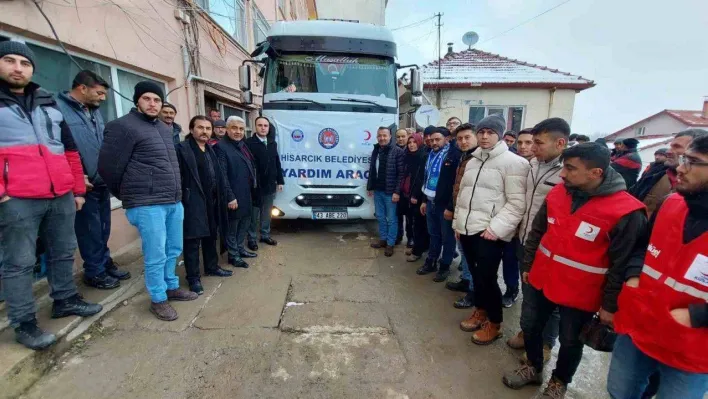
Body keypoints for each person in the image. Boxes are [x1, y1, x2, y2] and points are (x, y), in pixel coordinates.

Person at [503, 143, 648, 399]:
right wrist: (528, 265)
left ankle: (559, 381)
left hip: (581, 294)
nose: (562, 174)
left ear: (596, 173)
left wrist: (610, 305)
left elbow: (621, 264)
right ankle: (534, 367)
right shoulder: (559, 193)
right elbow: (537, 231)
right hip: (542, 279)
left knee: (571, 340)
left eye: (570, 168)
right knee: (531, 326)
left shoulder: (627, 211)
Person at [0, 41, 102, 350]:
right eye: (9, 60)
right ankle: (25, 322)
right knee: (19, 262)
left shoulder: (46, 101)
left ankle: (65, 299)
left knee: (63, 250)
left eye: (25, 63)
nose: (18, 67)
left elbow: (69, 150)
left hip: (59, 194)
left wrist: (77, 189)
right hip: (17, 197)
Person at [608, 135, 708, 399]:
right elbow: (641, 248)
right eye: (684, 159)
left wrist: (697, 316)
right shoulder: (671, 204)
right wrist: (632, 277)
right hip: (641, 323)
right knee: (620, 391)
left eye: (693, 162)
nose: (680, 168)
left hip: (693, 344)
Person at [99, 81, 198, 322]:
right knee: (155, 253)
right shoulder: (122, 127)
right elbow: (108, 168)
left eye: (157, 100)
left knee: (173, 248)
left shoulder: (164, 128)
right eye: (147, 99)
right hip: (146, 203)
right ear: (137, 101)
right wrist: (128, 195)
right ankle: (158, 298)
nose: (152, 104)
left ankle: (171, 286)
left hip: (172, 201)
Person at [454, 115, 529, 345]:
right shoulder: (473, 160)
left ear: (500, 134)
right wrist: (458, 223)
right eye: (482, 132)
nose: (484, 137)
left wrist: (495, 228)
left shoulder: (514, 163)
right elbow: (463, 195)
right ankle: (481, 311)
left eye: (490, 132)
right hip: (467, 229)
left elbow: (517, 204)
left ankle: (495, 323)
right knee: (477, 277)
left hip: (489, 232)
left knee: (488, 278)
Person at [56, 70, 131, 290]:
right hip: (82, 185)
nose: (103, 98)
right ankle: (94, 272)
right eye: (99, 93)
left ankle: (104, 263)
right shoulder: (58, 110)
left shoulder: (93, 112)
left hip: (101, 181)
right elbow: (57, 149)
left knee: (102, 229)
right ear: (82, 88)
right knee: (89, 230)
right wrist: (75, 177)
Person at [506, 118, 568, 364]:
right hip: (526, 241)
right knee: (529, 293)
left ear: (560, 143)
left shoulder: (569, 172)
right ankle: (528, 331)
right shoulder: (532, 165)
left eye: (538, 143)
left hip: (551, 247)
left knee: (549, 300)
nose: (532, 148)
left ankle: (545, 344)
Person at [176, 116, 233, 295]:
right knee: (192, 241)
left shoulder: (210, 149)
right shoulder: (182, 149)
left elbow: (220, 176)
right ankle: (193, 278)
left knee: (211, 236)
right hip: (192, 202)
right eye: (200, 128)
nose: (204, 132)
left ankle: (211, 266)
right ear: (192, 129)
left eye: (208, 128)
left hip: (213, 201)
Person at [416, 127, 460, 281]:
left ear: (446, 139)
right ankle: (431, 261)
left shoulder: (453, 156)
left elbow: (456, 185)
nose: (433, 142)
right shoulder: (430, 155)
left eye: (437, 139)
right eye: (432, 140)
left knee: (447, 238)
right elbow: (426, 178)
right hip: (430, 201)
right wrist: (423, 200)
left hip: (444, 205)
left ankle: (445, 266)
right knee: (433, 235)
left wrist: (451, 207)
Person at [214, 116, 257, 269]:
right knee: (232, 228)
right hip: (232, 196)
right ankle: (233, 255)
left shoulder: (242, 145)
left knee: (244, 223)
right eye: (234, 128)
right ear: (227, 129)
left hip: (245, 193)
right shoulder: (221, 147)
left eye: (241, 129)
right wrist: (230, 197)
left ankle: (240, 249)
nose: (238, 132)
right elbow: (222, 175)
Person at [500, 128, 535, 308]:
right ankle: (511, 290)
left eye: (528, 143)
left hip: (531, 228)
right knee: (509, 260)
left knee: (528, 268)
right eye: (520, 142)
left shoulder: (539, 167)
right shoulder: (512, 163)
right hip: (510, 224)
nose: (523, 146)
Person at [446, 124, 478, 308]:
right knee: (465, 253)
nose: (463, 141)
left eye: (467, 137)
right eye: (459, 138)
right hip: (461, 212)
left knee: (473, 257)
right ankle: (466, 281)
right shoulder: (464, 157)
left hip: (474, 217)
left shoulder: (478, 158)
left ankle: (473, 293)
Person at [245, 116, 284, 250]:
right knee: (253, 214)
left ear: (268, 128)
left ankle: (265, 235)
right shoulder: (249, 143)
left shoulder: (272, 143)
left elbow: (276, 162)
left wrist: (280, 180)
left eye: (265, 126)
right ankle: (251, 238)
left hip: (269, 185)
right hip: (255, 186)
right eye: (260, 125)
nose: (263, 128)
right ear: (255, 127)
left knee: (266, 212)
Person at [367, 127, 405, 256]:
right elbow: (372, 170)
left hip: (391, 193)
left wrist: (397, 192)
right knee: (380, 217)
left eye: (385, 135)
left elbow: (401, 174)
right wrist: (370, 187)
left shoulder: (397, 151)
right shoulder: (376, 150)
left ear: (390, 137)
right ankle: (383, 239)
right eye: (380, 136)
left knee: (392, 219)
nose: (382, 138)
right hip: (378, 191)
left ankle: (390, 243)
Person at [402, 134, 429, 261]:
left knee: (418, 225)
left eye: (414, 142)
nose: (411, 145)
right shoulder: (408, 156)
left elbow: (422, 179)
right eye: (409, 142)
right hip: (408, 194)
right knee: (412, 223)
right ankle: (418, 247)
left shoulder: (423, 156)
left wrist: (415, 195)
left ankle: (417, 252)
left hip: (417, 196)